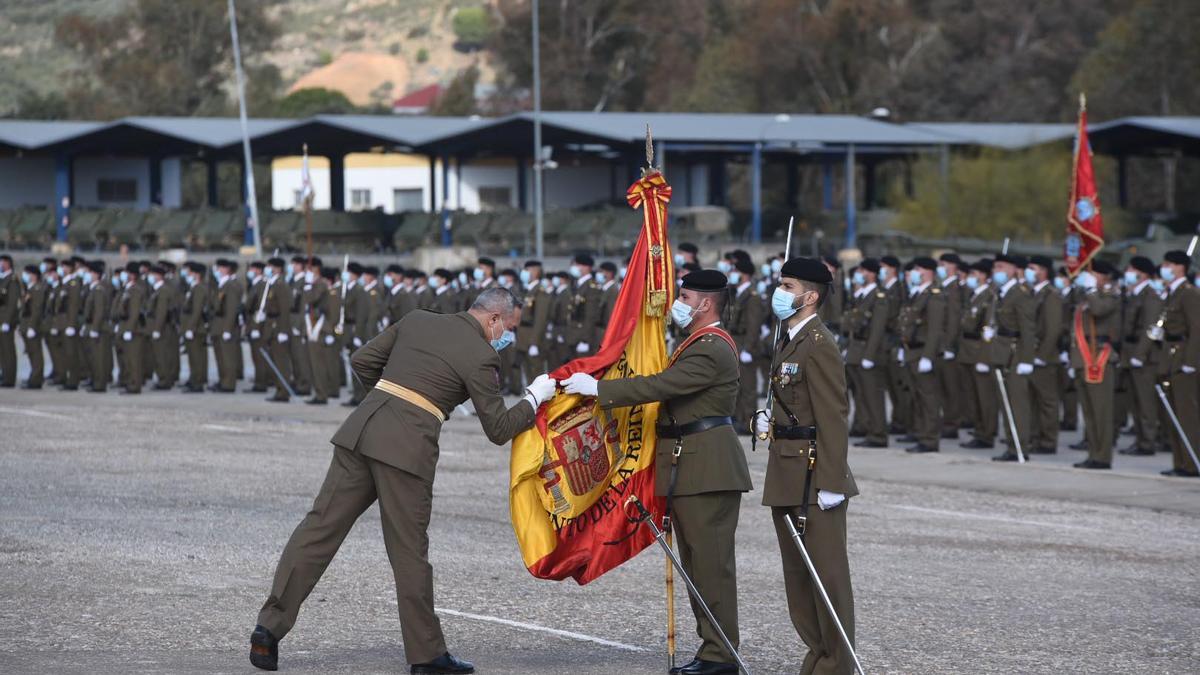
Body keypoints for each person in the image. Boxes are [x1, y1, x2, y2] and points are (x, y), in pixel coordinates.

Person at [250, 288, 557, 674]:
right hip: (407, 451)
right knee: (409, 553)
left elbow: (363, 360)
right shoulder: (482, 356)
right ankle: (426, 655)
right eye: (507, 327)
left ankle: (268, 628)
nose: (507, 336)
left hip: (361, 430)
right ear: (494, 319)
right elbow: (497, 428)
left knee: (318, 529)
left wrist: (393, 399)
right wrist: (533, 398)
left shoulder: (417, 318)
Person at [563, 270, 751, 675]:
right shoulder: (696, 343)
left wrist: (600, 391)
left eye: (684, 296)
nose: (677, 303)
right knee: (698, 565)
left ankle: (721, 655)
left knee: (711, 565)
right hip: (691, 464)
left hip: (709, 468)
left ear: (706, 304)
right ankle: (713, 648)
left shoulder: (711, 347)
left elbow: (665, 385)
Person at [754, 257, 858, 675]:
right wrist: (766, 422)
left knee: (826, 577)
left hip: (815, 476)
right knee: (798, 578)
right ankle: (818, 656)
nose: (780, 293)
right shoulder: (791, 338)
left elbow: (834, 414)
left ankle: (836, 664)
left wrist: (832, 480)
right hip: (787, 471)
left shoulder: (818, 343)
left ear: (810, 296)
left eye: (788, 285)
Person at [1069, 262, 1121, 469]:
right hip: (1082, 358)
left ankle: (1103, 457)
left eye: (1093, 275)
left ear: (1104, 277)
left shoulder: (1111, 296)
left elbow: (1099, 311)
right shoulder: (1086, 297)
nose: (1088, 278)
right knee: (1089, 413)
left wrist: (1091, 289)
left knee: (1101, 412)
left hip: (1099, 359)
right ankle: (1093, 453)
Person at [1157, 251, 1200, 477]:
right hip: (1170, 357)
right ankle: (1179, 462)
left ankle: (1192, 463)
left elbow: (1197, 329)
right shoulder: (1171, 293)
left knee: (1187, 415)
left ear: (1180, 267)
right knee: (1173, 414)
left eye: (1168, 264)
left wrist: (1191, 361)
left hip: (1183, 358)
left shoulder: (1189, 294)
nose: (1164, 268)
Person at [990, 253, 1036, 462]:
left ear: (1014, 270)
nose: (996, 271)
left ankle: (1020, 447)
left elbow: (1028, 329)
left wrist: (1027, 359)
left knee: (1017, 404)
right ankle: (1011, 445)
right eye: (995, 267)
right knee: (1006, 402)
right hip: (1003, 352)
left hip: (1016, 354)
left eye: (1001, 267)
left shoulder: (1020, 294)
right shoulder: (1002, 293)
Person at [898, 257, 945, 453]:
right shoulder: (917, 293)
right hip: (912, 350)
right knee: (918, 396)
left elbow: (935, 329)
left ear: (927, 271)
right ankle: (921, 434)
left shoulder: (934, 295)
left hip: (923, 352)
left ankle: (930, 439)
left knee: (928, 398)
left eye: (918, 269)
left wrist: (928, 356)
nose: (914, 272)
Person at [1118, 256, 1164, 457]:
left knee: (1146, 403)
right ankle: (1139, 439)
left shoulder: (1150, 296)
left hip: (1144, 356)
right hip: (1130, 352)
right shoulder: (1134, 294)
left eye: (1131, 268)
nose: (1127, 271)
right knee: (1134, 401)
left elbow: (1152, 328)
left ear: (1142, 273)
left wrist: (1140, 353)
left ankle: (1147, 442)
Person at [846, 259, 889, 448]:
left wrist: (869, 356)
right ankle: (869, 428)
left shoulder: (879, 296)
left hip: (868, 352)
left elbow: (877, 329)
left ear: (871, 273)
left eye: (863, 270)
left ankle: (878, 434)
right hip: (857, 350)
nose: (859, 273)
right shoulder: (862, 295)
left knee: (873, 395)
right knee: (863, 394)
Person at [1027, 256, 1063, 454]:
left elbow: (1053, 329)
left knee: (1047, 401)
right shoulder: (1033, 293)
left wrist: (1042, 355)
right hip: (1030, 354)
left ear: (1043, 271)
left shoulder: (1051, 295)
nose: (1029, 271)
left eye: (1033, 268)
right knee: (1032, 400)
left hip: (1044, 356)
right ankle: (1034, 437)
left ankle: (1048, 441)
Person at [17, 264, 46, 389]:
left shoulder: (37, 289)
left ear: (34, 276)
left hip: (32, 327)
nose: (25, 276)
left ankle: (36, 380)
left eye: (28, 273)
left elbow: (37, 310)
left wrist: (32, 327)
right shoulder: (30, 288)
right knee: (31, 353)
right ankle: (33, 377)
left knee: (36, 354)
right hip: (26, 325)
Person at [0, 254, 18, 387]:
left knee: (8, 350)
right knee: (2, 350)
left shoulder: (12, 280)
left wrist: (6, 321)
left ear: (7, 264)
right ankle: (4, 374)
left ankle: (9, 378)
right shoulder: (3, 279)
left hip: (6, 321)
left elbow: (12, 303)